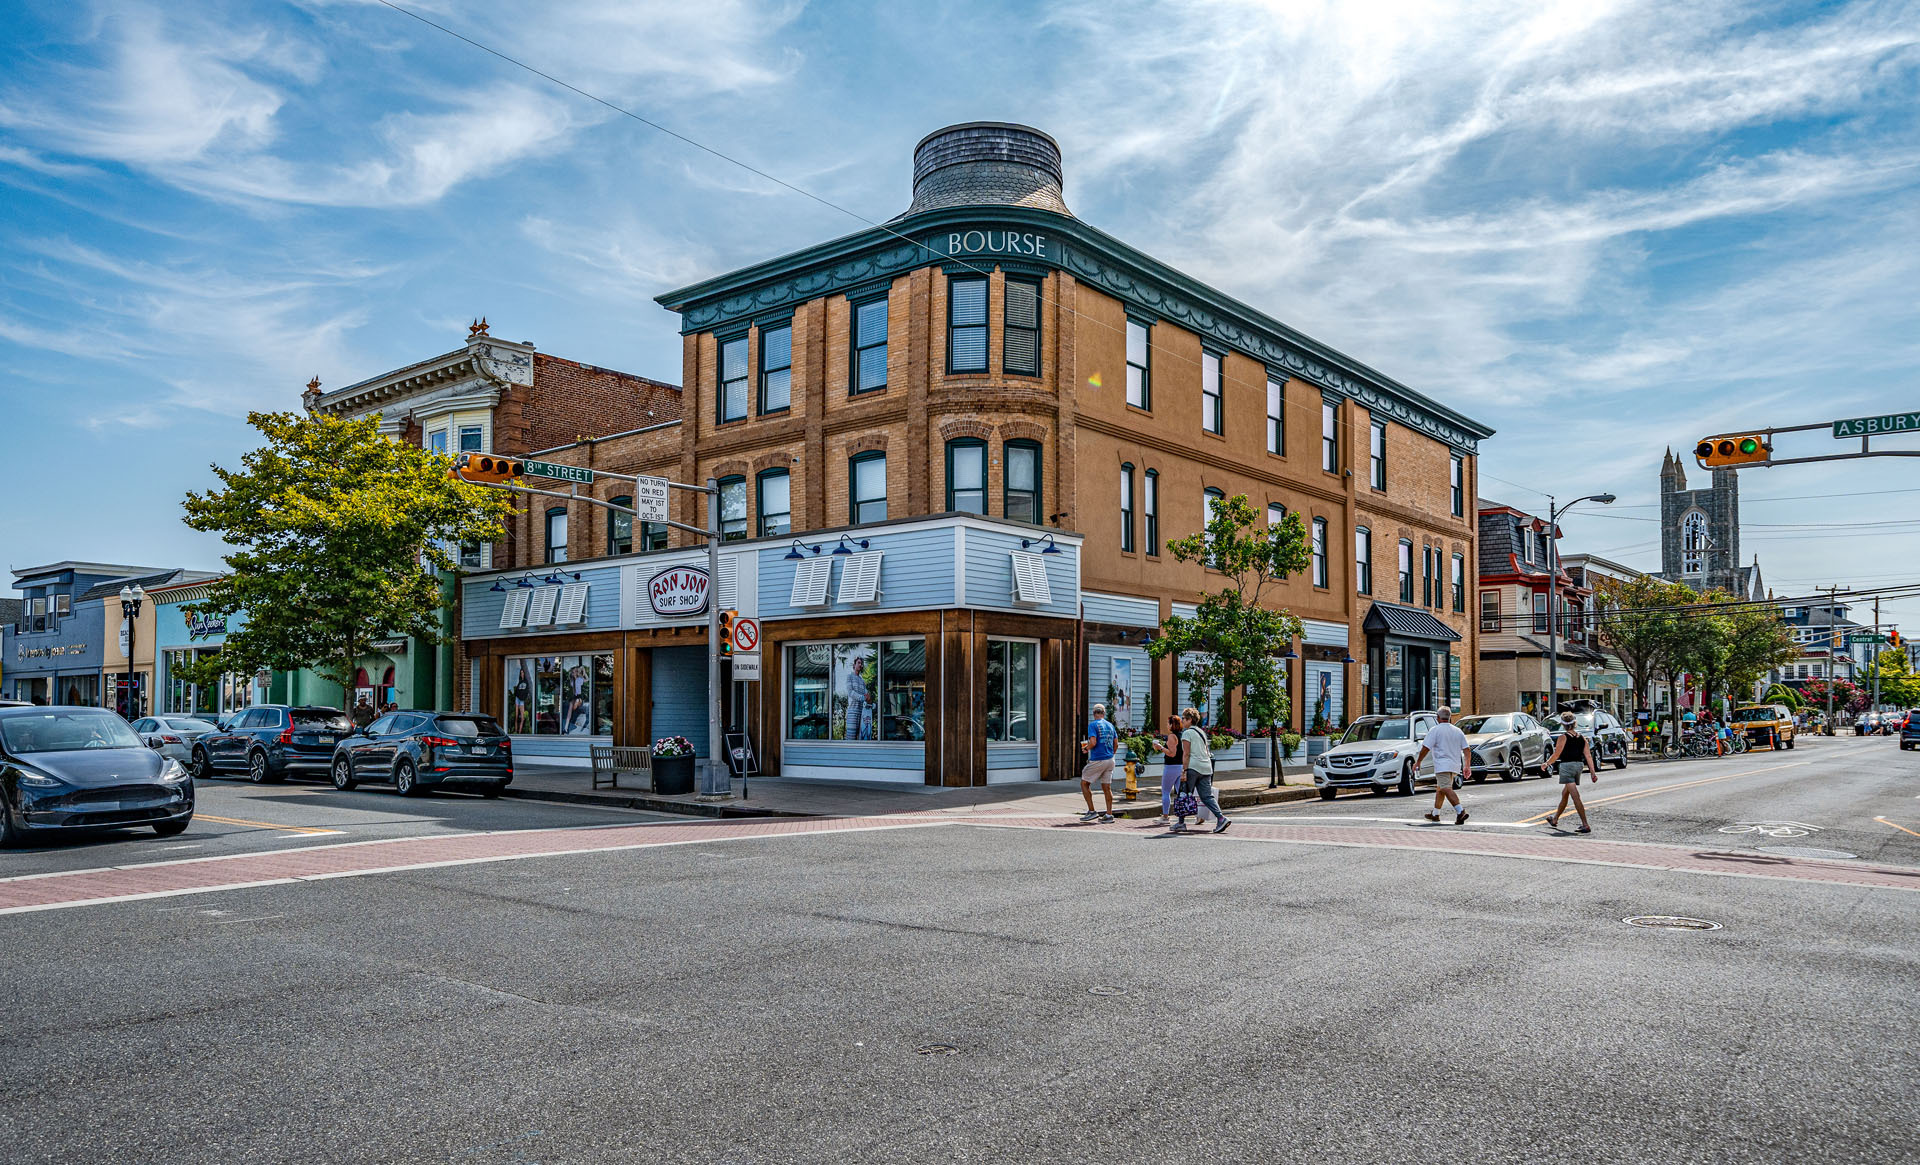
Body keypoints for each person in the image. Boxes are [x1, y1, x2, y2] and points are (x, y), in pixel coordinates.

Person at [1543, 710, 1601, 832]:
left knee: (1576, 797)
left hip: (1567, 767)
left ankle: (1585, 824)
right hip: (1578, 766)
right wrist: (1592, 773)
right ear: (1575, 723)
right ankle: (1555, 819)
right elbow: (1588, 756)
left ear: (1563, 724)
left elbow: (1556, 754)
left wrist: (1547, 764)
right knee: (1565, 794)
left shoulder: (1562, 738)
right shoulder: (1582, 738)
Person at [1175, 707, 1229, 834]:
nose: (1182, 721)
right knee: (1206, 796)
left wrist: (1184, 770)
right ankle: (1221, 818)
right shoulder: (1201, 732)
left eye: (1183, 718)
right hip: (1206, 767)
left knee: (1183, 793)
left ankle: (1181, 823)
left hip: (1193, 767)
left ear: (1189, 720)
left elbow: (1186, 754)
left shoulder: (1187, 733)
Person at [1414, 705, 1469, 825]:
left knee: (1445, 788)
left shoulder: (1435, 730)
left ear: (1438, 717)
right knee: (1440, 789)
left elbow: (1425, 748)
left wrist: (1418, 761)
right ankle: (1435, 814)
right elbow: (1467, 749)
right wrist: (1467, 766)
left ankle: (1461, 811)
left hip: (1442, 765)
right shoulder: (1457, 730)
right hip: (1454, 765)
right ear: (1449, 717)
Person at [1077, 703, 1118, 824]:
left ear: (1094, 713)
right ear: (1104, 713)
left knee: (1084, 782)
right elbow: (1116, 744)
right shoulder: (1110, 725)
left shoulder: (1093, 725)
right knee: (1107, 787)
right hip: (1110, 759)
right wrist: (1111, 754)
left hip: (1098, 758)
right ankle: (1109, 814)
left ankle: (1091, 811)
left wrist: (1086, 749)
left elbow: (1093, 742)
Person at [1157, 714, 1184, 827]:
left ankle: (1165, 816)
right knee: (1181, 792)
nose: (1167, 725)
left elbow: (1172, 753)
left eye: (1168, 723)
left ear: (1172, 724)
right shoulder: (1182, 735)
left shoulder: (1172, 736)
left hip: (1171, 766)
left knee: (1166, 791)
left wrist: (1161, 748)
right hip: (1181, 766)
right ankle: (1186, 814)